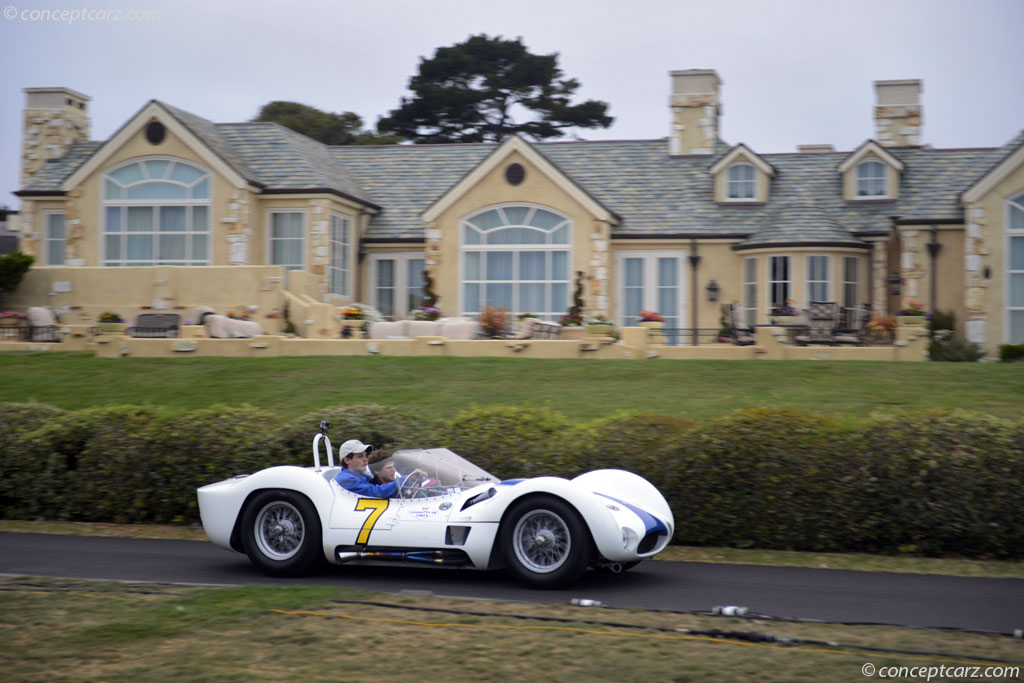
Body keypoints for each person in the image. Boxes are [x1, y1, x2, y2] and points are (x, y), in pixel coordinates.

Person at [334, 439, 426, 498]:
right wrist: (404, 480)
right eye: (360, 456)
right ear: (347, 460)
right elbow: (375, 492)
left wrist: (412, 480)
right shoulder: (345, 479)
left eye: (365, 455)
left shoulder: (362, 476)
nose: (365, 459)